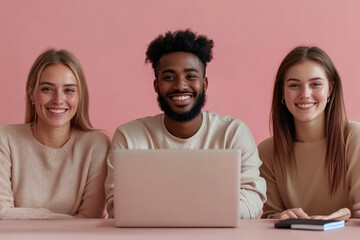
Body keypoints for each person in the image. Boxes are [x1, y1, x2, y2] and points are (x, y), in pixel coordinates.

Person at [105, 29, 266, 219]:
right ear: (156, 85)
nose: (181, 86)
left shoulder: (233, 132)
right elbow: (118, 206)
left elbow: (252, 197)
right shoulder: (129, 137)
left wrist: (190, 215)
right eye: (169, 77)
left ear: (204, 83)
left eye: (190, 76)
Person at [0, 49, 110, 219]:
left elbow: (89, 221)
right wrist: (62, 218)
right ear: (32, 94)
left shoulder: (96, 145)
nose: (58, 100)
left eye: (69, 90)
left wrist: (25, 217)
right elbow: (1, 213)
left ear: (80, 96)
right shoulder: (4, 139)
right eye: (47, 89)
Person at [258, 46, 360, 220]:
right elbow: (269, 218)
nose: (305, 94)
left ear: (330, 89)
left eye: (316, 84)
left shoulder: (354, 138)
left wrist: (340, 222)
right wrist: (282, 217)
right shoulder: (267, 151)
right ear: (282, 91)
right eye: (294, 85)